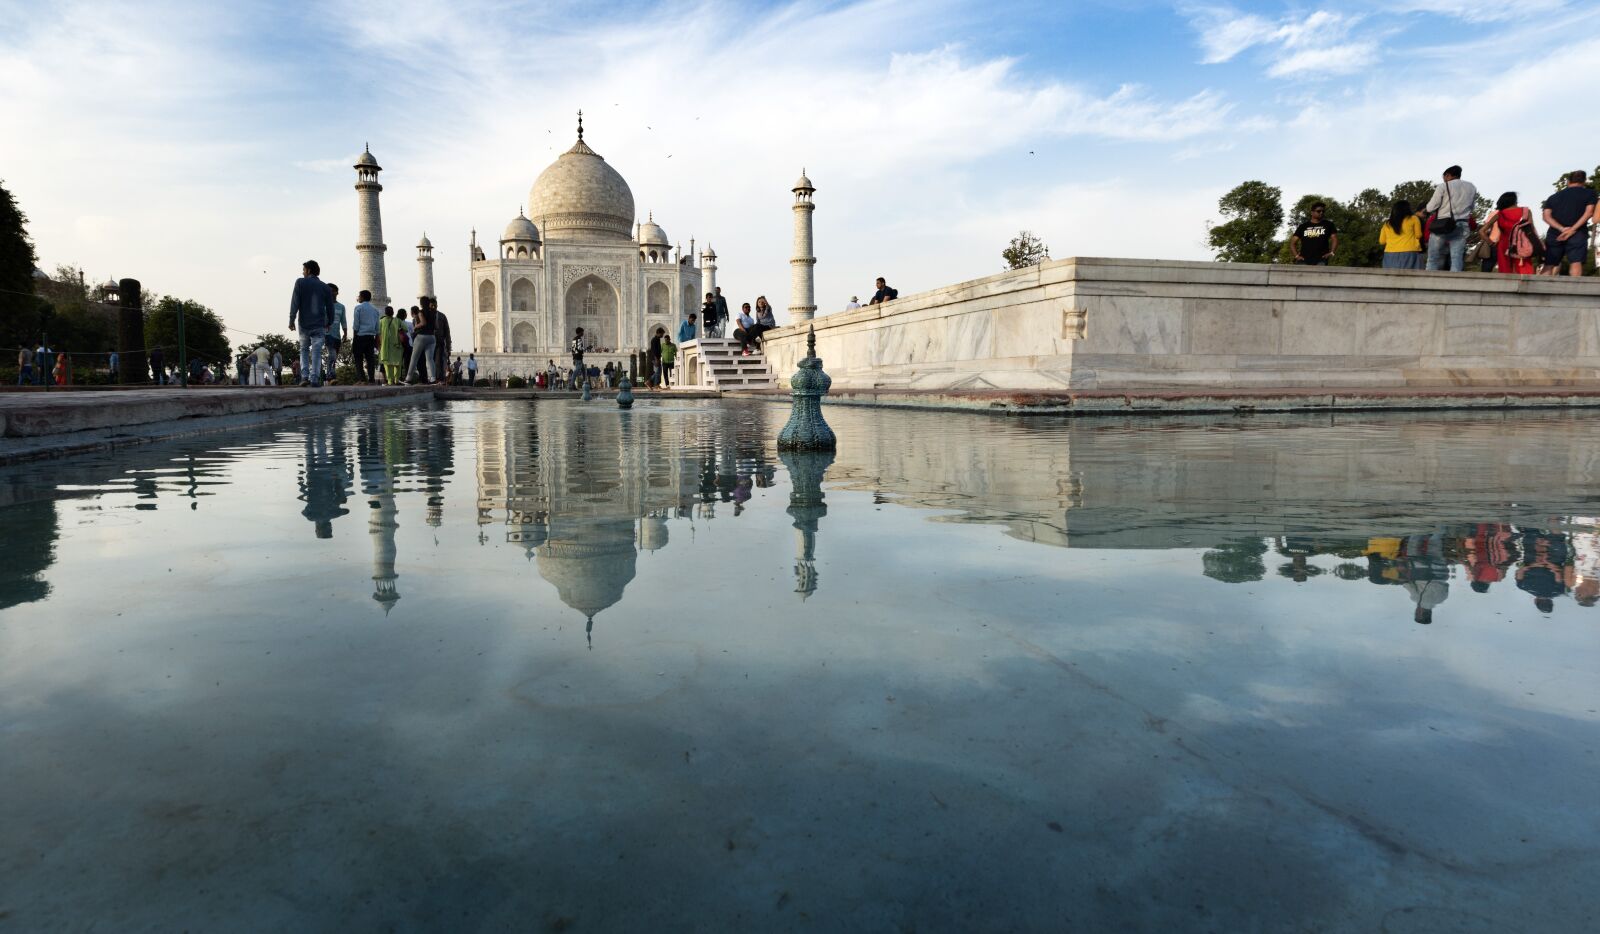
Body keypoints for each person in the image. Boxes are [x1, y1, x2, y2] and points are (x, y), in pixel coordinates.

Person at [1540, 170, 1596, 277]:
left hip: (1555, 233)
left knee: (1549, 264)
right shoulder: (1590, 193)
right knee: (1576, 262)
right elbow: (1589, 212)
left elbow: (1546, 216)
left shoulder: (1554, 197)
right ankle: (1575, 292)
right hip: (1578, 232)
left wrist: (1561, 229)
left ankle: (1539, 291)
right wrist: (1572, 229)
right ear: (1584, 181)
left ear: (1568, 181)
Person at [1423, 165, 1478, 272]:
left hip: (1443, 225)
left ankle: (1429, 282)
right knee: (1456, 258)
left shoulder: (1443, 186)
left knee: (1433, 257)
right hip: (1462, 224)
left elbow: (1431, 207)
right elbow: (1472, 207)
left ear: (1447, 175)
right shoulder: (1471, 187)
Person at [288, 259, 333, 386]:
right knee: (317, 351)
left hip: (304, 323)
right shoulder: (325, 287)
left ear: (308, 270)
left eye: (303, 270)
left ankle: (304, 377)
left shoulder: (300, 282)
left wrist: (291, 319)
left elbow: (295, 302)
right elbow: (330, 307)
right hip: (319, 324)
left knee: (304, 350)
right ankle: (315, 379)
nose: (303, 273)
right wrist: (329, 321)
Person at [1483, 192, 1541, 276]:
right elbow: (1531, 230)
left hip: (1503, 246)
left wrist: (1491, 243)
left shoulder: (1500, 214)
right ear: (1515, 201)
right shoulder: (1526, 211)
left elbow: (1481, 231)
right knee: (1524, 272)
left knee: (1505, 274)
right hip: (1521, 245)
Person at [1378, 200, 1423, 269]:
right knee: (1411, 277)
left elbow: (1382, 241)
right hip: (1410, 252)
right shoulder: (1413, 218)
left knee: (1391, 277)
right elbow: (1418, 235)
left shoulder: (1387, 224)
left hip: (1390, 254)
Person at [351, 289, 380, 383]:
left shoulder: (358, 308)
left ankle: (362, 379)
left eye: (359, 296)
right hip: (371, 337)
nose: (358, 298)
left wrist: (355, 338)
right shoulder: (375, 310)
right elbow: (377, 326)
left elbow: (356, 325)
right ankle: (371, 379)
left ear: (362, 297)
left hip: (360, 335)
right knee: (370, 358)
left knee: (358, 358)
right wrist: (377, 339)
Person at [404, 306, 436, 384]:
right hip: (431, 337)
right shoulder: (432, 314)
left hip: (421, 338)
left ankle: (408, 379)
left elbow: (423, 323)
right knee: (430, 359)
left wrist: (415, 327)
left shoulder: (419, 314)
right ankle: (433, 378)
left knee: (414, 359)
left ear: (412, 313)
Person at [325, 283, 347, 382]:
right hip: (327, 334)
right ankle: (330, 375)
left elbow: (343, 320)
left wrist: (345, 333)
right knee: (332, 354)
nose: (330, 293)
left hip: (337, 335)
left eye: (332, 291)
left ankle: (331, 374)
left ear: (336, 292)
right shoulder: (323, 305)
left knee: (334, 357)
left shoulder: (341, 306)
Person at [378, 306, 403, 385]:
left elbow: (378, 333)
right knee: (397, 364)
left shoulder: (381, 321)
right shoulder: (398, 320)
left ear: (385, 313)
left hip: (385, 347)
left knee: (388, 365)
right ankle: (396, 380)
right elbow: (405, 329)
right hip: (397, 346)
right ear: (393, 312)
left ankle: (389, 381)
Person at [429, 298, 452, 382]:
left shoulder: (442, 316)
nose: (433, 307)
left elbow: (447, 332)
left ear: (437, 305)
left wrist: (448, 347)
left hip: (439, 342)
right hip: (428, 343)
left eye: (435, 305)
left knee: (438, 361)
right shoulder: (426, 316)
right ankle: (432, 378)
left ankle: (438, 379)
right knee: (430, 361)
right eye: (432, 305)